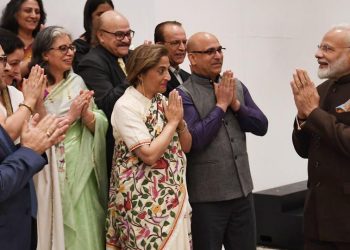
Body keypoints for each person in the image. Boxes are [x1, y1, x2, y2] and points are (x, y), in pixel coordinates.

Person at [177, 32, 268, 250]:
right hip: (207, 198)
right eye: (209, 51)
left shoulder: (235, 86)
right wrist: (220, 107)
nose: (217, 56)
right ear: (192, 58)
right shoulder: (183, 94)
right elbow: (195, 141)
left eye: (219, 50)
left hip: (242, 192)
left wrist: (236, 104)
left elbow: (261, 126)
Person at [106, 44, 192, 250]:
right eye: (160, 71)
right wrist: (172, 123)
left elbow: (186, 146)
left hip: (173, 199)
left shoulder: (163, 101)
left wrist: (179, 123)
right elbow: (149, 155)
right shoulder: (126, 106)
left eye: (168, 70)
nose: (168, 77)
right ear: (141, 73)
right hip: (141, 205)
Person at [29, 26, 108, 250]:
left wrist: (87, 115)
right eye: (63, 48)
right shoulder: (35, 86)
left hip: (82, 165)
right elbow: (44, 131)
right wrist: (72, 116)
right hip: (50, 167)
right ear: (45, 54)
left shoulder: (78, 82)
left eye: (71, 47)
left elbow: (99, 122)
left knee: (86, 223)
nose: (70, 53)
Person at [291, 24, 350, 249]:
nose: (318, 54)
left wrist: (314, 113)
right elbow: (304, 150)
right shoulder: (321, 90)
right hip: (316, 217)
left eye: (328, 49)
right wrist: (302, 116)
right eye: (319, 47)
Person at [77, 10, 133, 176]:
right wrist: (133, 75)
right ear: (101, 36)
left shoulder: (132, 56)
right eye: (119, 34)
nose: (126, 39)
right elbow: (107, 104)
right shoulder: (91, 63)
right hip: (114, 148)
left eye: (129, 33)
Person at [0, 0, 46, 80]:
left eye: (37, 12)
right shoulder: (3, 40)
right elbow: (9, 71)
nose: (33, 15)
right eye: (28, 11)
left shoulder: (43, 41)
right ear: (14, 13)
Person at [72, 0, 114, 71]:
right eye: (100, 14)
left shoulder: (119, 41)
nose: (106, 18)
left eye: (109, 14)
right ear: (90, 18)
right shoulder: (79, 46)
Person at [154, 21, 190, 97]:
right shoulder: (154, 79)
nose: (182, 48)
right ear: (159, 46)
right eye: (175, 43)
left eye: (184, 42)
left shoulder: (188, 77)